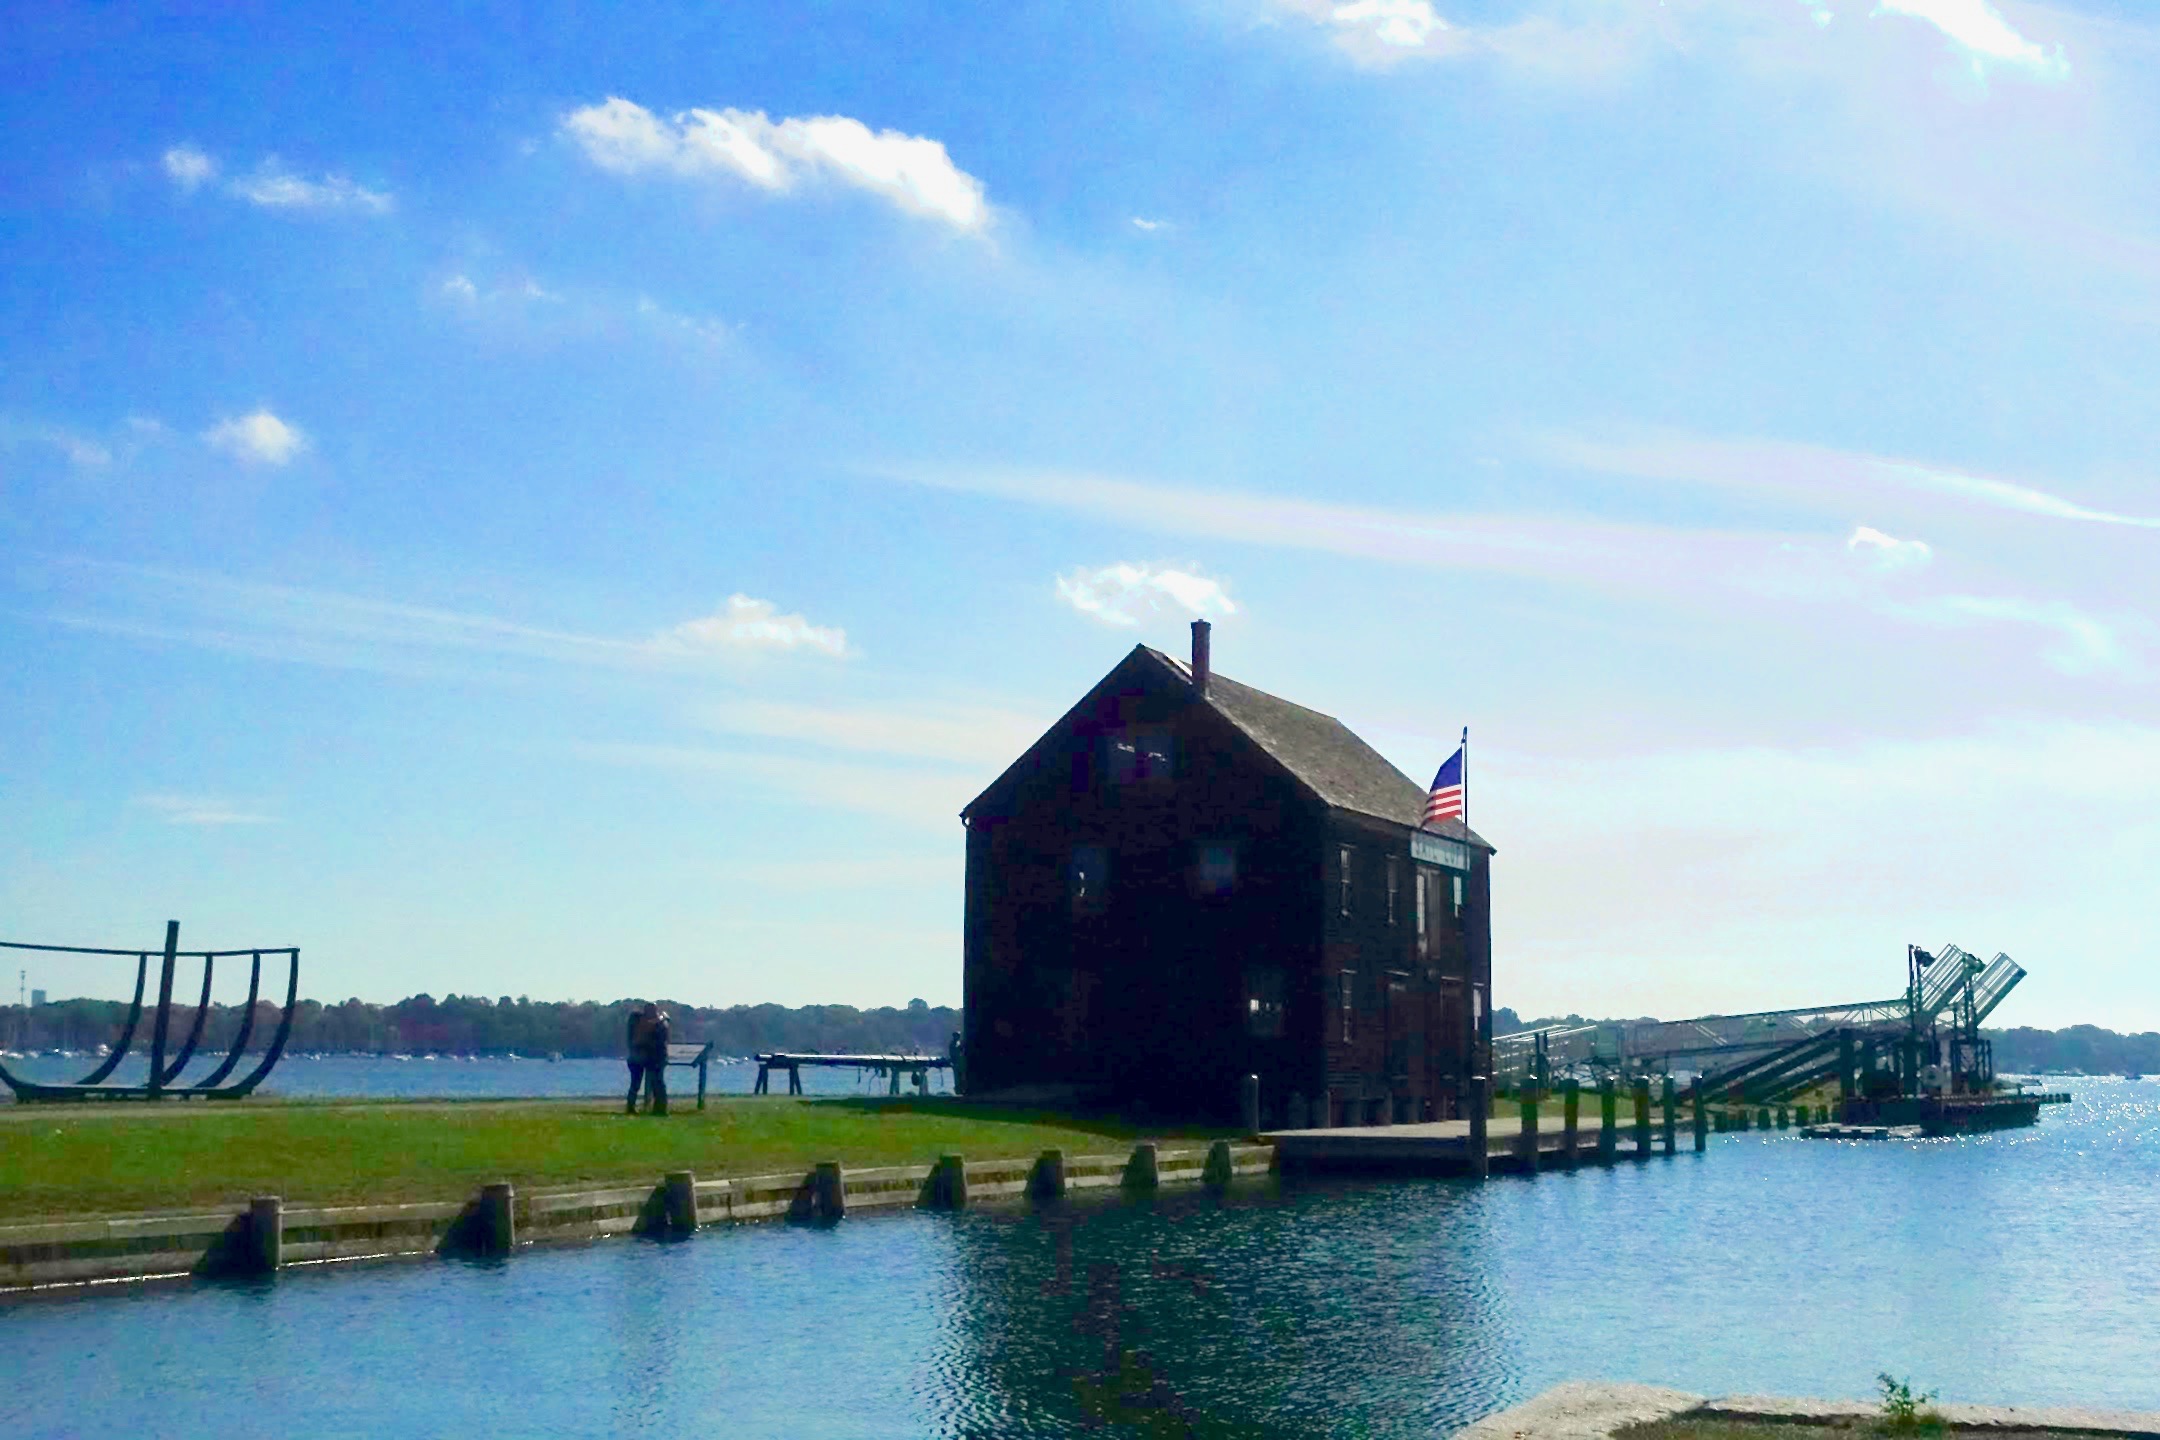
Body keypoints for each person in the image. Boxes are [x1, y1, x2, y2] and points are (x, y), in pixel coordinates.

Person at [642, 1004, 671, 1116]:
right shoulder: (660, 1022)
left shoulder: (659, 1024)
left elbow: (656, 1041)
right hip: (656, 1057)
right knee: (656, 1083)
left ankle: (661, 1108)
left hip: (657, 1057)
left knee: (658, 1083)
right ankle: (658, 1108)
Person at [625, 1003, 653, 1115]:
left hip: (633, 1059)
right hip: (639, 1059)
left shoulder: (631, 1033)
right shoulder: (638, 1033)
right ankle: (632, 1106)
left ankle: (631, 1105)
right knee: (636, 1084)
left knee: (635, 1084)